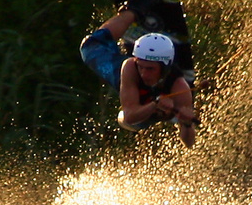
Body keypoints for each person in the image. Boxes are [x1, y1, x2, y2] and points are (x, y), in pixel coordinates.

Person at [79, 9, 199, 147]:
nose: (143, 74)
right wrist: (155, 104)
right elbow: (130, 115)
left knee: (135, 123)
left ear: (165, 67)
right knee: (89, 47)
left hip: (147, 114)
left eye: (150, 69)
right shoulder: (130, 67)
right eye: (141, 66)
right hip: (125, 80)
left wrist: (187, 123)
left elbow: (189, 143)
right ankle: (134, 10)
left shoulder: (179, 87)